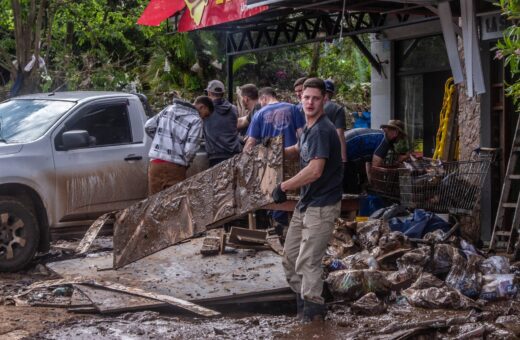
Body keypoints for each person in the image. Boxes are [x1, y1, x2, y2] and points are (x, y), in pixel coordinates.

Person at [271, 78, 342, 322]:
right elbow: (299, 149)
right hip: (306, 203)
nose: (310, 102)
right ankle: (303, 308)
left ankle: (313, 317)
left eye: (315, 98)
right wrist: (272, 151)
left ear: (324, 100)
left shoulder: (323, 129)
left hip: (322, 206)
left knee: (308, 262)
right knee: (290, 259)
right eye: (306, 97)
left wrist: (284, 186)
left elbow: (315, 169)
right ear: (300, 99)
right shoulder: (309, 127)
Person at [145, 96, 214, 196]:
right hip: (175, 167)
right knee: (175, 206)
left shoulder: (169, 109)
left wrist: (160, 139)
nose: (204, 118)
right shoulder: (196, 120)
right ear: (202, 107)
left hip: (155, 165)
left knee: (154, 206)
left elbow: (148, 126)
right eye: (205, 115)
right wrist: (185, 163)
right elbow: (190, 150)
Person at [343, 120, 407, 194]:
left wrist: (371, 183)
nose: (399, 140)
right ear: (396, 133)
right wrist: (381, 189)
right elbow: (376, 168)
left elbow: (369, 164)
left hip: (343, 151)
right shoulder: (384, 140)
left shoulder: (378, 135)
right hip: (344, 154)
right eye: (400, 137)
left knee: (351, 184)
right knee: (350, 192)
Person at [243, 87, 305, 152]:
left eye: (260, 102)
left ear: (264, 98)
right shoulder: (293, 108)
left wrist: (242, 158)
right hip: (292, 155)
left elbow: (250, 142)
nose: (261, 105)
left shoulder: (258, 114)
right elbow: (302, 134)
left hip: (271, 159)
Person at [203, 80, 242, 167]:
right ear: (222, 93)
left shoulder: (206, 110)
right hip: (234, 155)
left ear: (209, 93)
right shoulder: (233, 109)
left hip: (216, 156)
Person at [324, 80, 347, 163]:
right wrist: (343, 159)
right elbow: (340, 135)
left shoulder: (309, 106)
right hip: (331, 153)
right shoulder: (337, 109)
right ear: (332, 94)